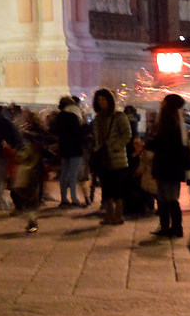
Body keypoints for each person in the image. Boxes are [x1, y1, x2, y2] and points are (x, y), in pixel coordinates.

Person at [148, 94, 190, 238]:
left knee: (167, 198)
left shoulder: (169, 122)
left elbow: (163, 143)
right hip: (172, 167)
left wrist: (149, 143)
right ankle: (170, 227)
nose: (161, 104)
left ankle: (172, 227)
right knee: (167, 197)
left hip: (167, 166)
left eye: (164, 102)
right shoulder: (176, 122)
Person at [91, 89, 131, 224]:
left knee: (118, 188)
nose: (101, 102)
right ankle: (109, 215)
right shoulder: (98, 118)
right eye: (99, 100)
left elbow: (126, 134)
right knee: (106, 188)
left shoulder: (119, 116)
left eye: (104, 99)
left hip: (116, 157)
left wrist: (115, 146)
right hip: (102, 157)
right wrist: (96, 148)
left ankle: (118, 215)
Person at [52, 97, 88, 207]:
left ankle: (64, 198)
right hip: (75, 148)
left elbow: (56, 131)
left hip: (64, 148)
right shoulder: (74, 115)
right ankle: (74, 198)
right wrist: (85, 126)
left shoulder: (60, 116)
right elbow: (79, 133)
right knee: (73, 175)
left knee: (64, 174)